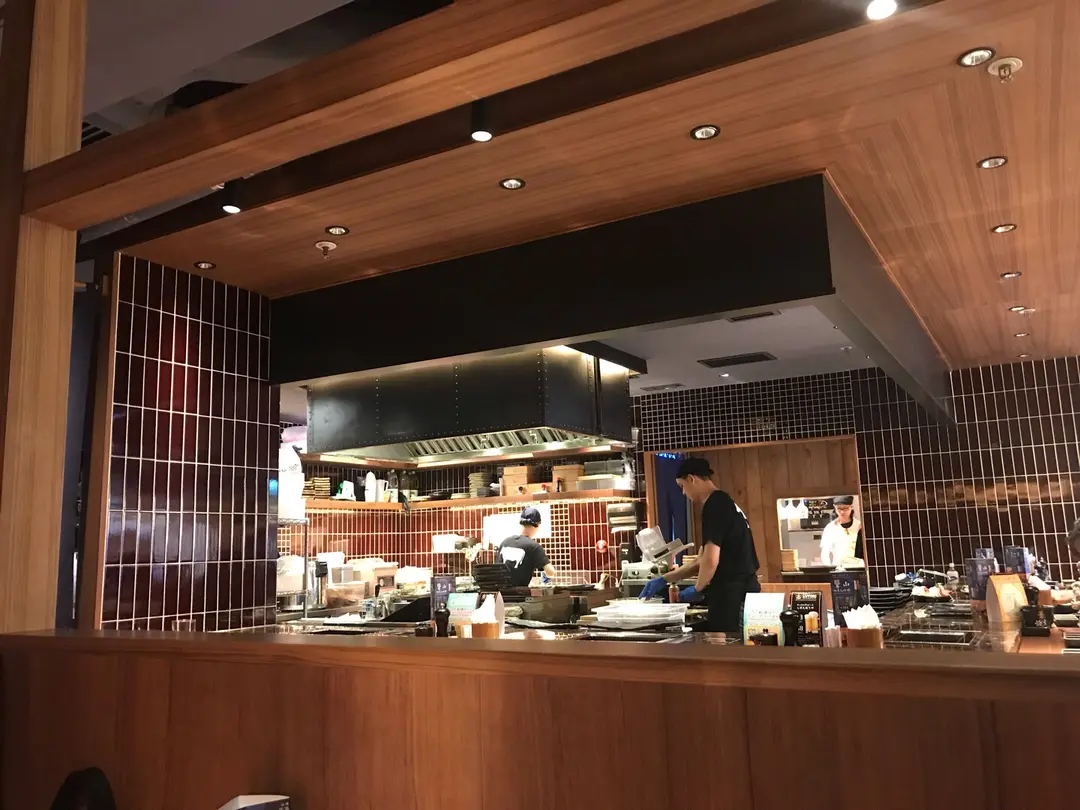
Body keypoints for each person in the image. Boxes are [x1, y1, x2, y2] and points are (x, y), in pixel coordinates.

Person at [640, 458, 760, 632]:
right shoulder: (724, 501)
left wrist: (697, 588)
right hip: (741, 591)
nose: (683, 493)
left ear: (691, 479)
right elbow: (700, 561)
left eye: (682, 486)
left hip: (733, 595)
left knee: (730, 646)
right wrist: (665, 579)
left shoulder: (714, 505)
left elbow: (711, 560)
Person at [498, 506, 557, 586]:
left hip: (501, 592)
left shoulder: (505, 542)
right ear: (537, 525)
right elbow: (551, 572)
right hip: (520, 593)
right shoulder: (534, 547)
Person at [819, 495, 863, 567]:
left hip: (859, 567)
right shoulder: (830, 528)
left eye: (845, 508)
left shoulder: (859, 526)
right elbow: (825, 553)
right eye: (839, 508)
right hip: (839, 568)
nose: (842, 512)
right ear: (834, 507)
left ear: (851, 507)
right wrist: (829, 568)